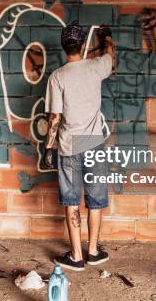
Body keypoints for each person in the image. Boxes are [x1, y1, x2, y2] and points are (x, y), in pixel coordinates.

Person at [44, 24, 116, 271]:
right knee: (95, 200)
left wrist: (48, 148)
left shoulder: (57, 76)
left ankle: (76, 256)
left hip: (69, 143)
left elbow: (55, 117)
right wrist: (106, 38)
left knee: (72, 200)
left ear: (64, 47)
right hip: (93, 141)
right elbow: (111, 57)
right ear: (82, 45)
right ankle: (94, 252)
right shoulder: (96, 66)